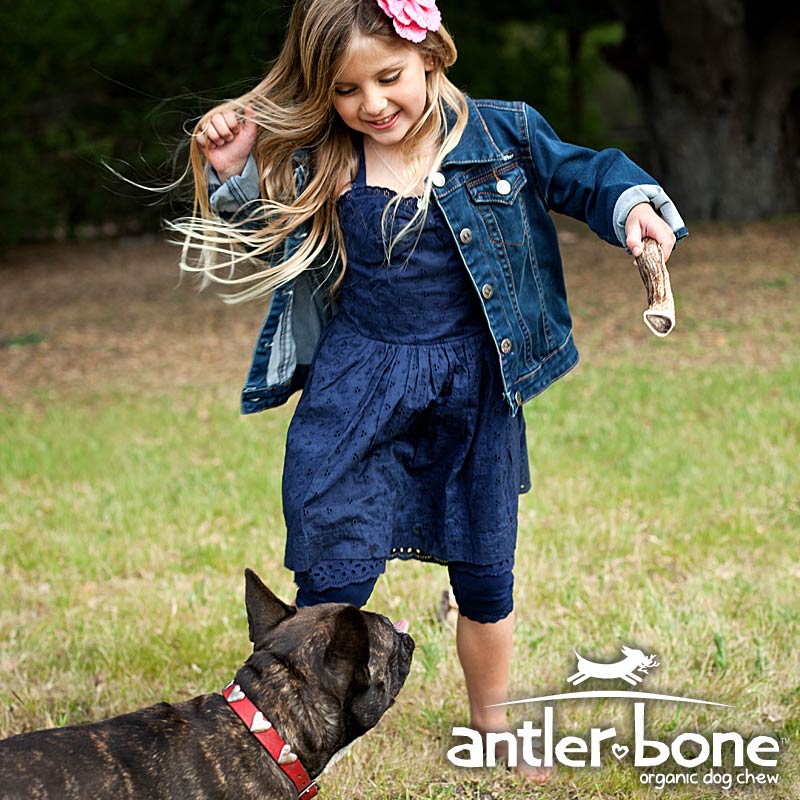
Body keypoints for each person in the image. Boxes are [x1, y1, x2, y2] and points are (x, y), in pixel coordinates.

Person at [177, 0, 687, 783]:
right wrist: (236, 171)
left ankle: (493, 722)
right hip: (358, 393)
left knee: (485, 577)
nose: (373, 105)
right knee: (333, 575)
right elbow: (264, 234)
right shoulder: (330, 156)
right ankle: (295, 738)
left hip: (470, 392)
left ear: (433, 57)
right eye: (347, 91)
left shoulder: (502, 132)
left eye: (390, 78)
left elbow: (585, 173)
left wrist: (634, 207)